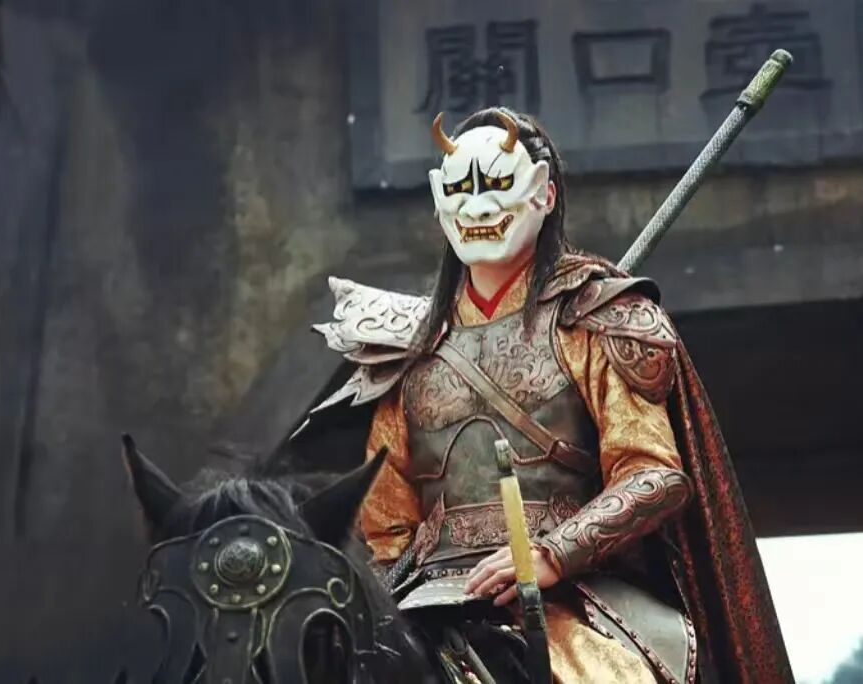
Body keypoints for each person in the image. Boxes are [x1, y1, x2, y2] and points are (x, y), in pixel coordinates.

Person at [311, 107, 792, 683]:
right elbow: (385, 522)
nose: (477, 207)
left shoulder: (598, 317)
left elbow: (653, 474)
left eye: (496, 184)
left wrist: (551, 554)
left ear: (543, 193)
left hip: (574, 592)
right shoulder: (408, 348)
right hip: (429, 601)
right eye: (460, 190)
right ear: (440, 200)